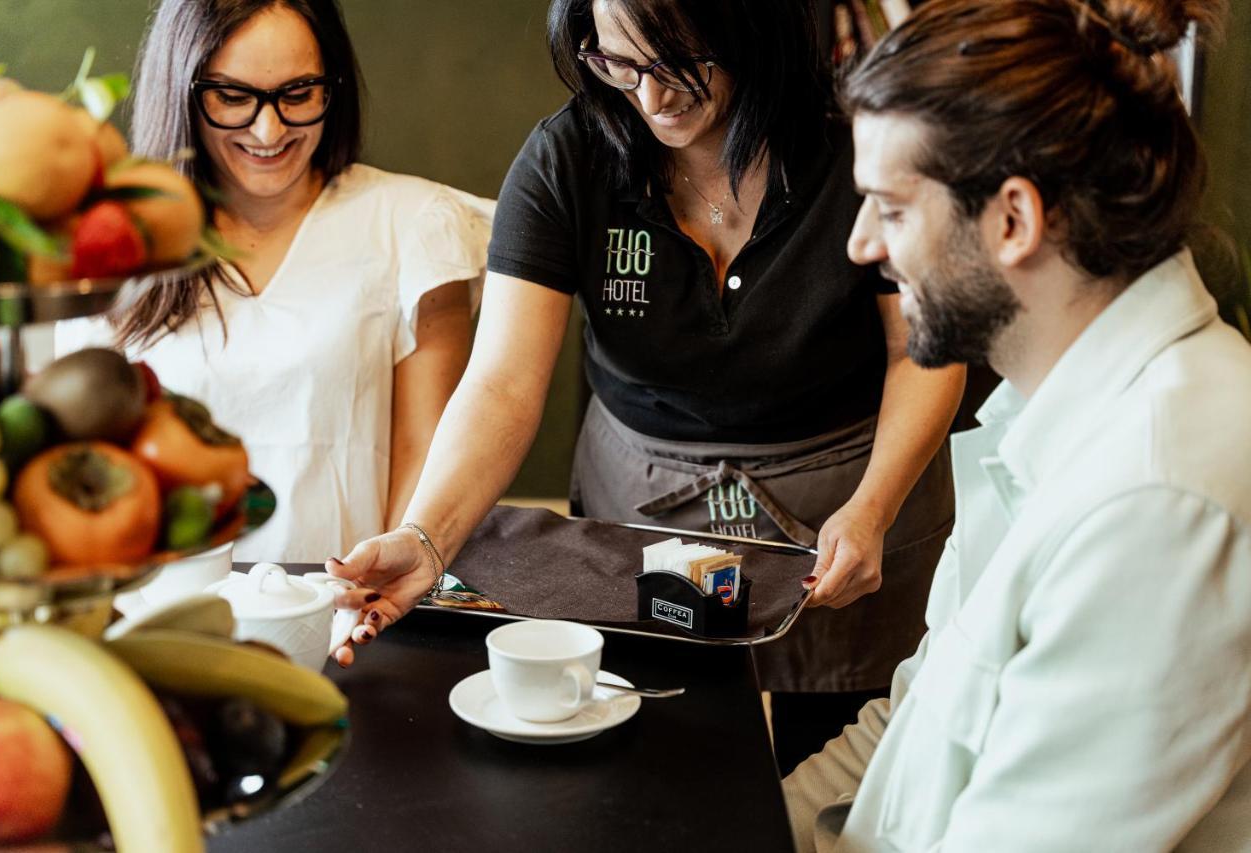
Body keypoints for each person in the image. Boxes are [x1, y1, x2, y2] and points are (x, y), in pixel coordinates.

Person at [327, 0, 965, 774]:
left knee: (843, 761)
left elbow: (924, 350)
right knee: (655, 756)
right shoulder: (568, 157)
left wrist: (872, 508)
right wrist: (427, 537)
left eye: (680, 66)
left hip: (849, 489)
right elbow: (501, 383)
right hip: (649, 502)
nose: (652, 98)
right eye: (619, 64)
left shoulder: (851, 145)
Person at [781, 0, 1251, 850]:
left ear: (1012, 219)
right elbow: (916, 719)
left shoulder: (1155, 495)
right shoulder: (1045, 416)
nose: (859, 246)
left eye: (889, 209)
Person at [56, 0, 492, 562]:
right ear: (184, 90)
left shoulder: (414, 224)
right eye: (234, 97)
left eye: (298, 93)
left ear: (332, 87)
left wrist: (374, 606)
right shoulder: (118, 239)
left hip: (340, 614)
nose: (269, 129)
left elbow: (425, 464)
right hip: (155, 611)